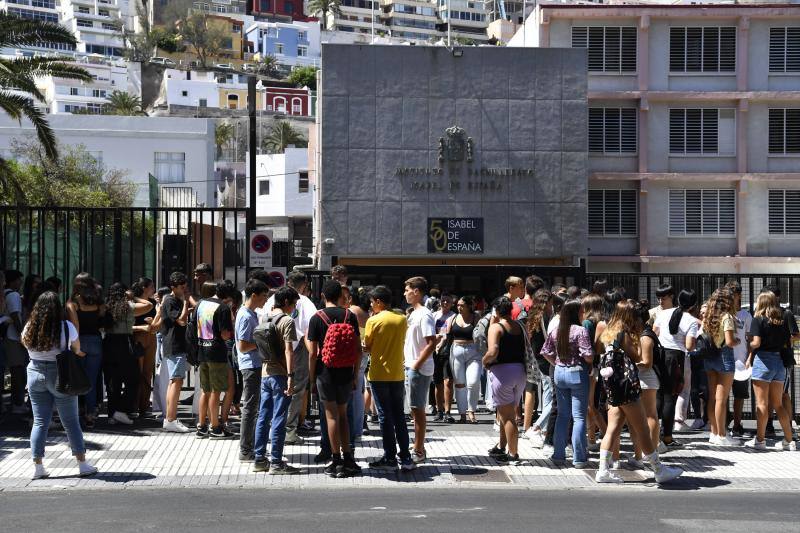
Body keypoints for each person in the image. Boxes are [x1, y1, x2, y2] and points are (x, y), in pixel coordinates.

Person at [595, 300, 683, 485]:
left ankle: (603, 470)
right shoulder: (623, 334)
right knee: (642, 427)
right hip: (626, 387)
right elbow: (636, 357)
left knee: (613, 428)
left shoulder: (607, 332)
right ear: (629, 316)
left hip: (613, 386)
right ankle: (659, 470)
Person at [21, 291, 97, 479]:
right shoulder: (66, 327)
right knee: (70, 421)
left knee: (40, 421)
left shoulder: (30, 326)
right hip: (60, 375)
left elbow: (24, 343)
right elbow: (76, 348)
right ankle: (82, 464)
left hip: (34, 373)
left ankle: (38, 467)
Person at [307, 280, 362, 478]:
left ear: (323, 296)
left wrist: (312, 379)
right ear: (341, 296)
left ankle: (336, 459)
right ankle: (348, 458)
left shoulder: (316, 318)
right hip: (346, 372)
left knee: (331, 417)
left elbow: (313, 353)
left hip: (325, 373)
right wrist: (355, 375)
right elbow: (358, 350)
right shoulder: (350, 316)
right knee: (343, 415)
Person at [364, 285, 414, 470]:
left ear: (378, 302)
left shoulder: (374, 321)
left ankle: (390, 457)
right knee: (399, 415)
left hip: (378, 373)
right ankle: (406, 457)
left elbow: (367, 345)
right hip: (397, 373)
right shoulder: (402, 319)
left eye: (371, 302)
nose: (371, 305)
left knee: (385, 416)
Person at [253, 286, 302, 474]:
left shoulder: (265, 317)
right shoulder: (287, 321)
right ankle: (276, 462)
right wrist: (291, 376)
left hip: (266, 372)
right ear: (288, 302)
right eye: (294, 303)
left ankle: (259, 459)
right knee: (279, 417)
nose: (295, 307)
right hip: (280, 374)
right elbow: (289, 350)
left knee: (263, 416)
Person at [540, 299, 593, 468]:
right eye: (581, 311)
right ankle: (579, 458)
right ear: (576, 313)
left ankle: (558, 455)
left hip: (559, 373)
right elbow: (588, 356)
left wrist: (557, 363)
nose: (583, 314)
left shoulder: (556, 330)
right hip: (577, 373)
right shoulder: (581, 331)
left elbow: (545, 352)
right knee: (578, 417)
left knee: (563, 415)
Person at [269, 271, 318, 446]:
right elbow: (310, 329)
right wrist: (313, 353)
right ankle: (289, 430)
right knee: (295, 390)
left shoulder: (272, 299)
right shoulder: (304, 302)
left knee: (273, 390)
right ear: (303, 285)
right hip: (296, 349)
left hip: (272, 350)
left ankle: (274, 428)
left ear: (288, 281)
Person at [745, 291, 797, 450]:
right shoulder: (780, 321)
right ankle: (789, 440)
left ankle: (760, 440)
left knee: (761, 404)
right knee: (778, 403)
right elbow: (789, 340)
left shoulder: (758, 320)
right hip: (779, 362)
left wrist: (749, 342)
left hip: (763, 361)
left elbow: (757, 343)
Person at [483, 297, 527, 464]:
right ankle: (502, 446)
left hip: (502, 373)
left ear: (496, 310)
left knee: (508, 416)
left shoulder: (496, 327)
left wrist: (484, 361)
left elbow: (493, 350)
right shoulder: (519, 326)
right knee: (505, 411)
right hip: (519, 372)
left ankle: (513, 454)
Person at [653, 289, 698, 448]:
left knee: (657, 395)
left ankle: (653, 434)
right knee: (670, 397)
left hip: (659, 355)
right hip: (676, 358)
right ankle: (667, 436)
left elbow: (654, 333)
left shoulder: (663, 313)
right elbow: (689, 346)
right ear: (693, 305)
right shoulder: (691, 320)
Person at [103, 282, 153, 426]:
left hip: (109, 343)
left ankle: (112, 414)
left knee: (113, 381)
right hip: (125, 343)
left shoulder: (106, 308)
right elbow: (148, 305)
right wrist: (134, 298)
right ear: (124, 293)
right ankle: (121, 410)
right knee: (133, 379)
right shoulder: (128, 306)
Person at [403, 276, 437, 464]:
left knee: (418, 410)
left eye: (407, 290)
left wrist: (416, 364)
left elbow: (431, 343)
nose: (405, 293)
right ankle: (418, 445)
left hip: (419, 368)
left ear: (417, 292)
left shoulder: (424, 314)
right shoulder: (414, 313)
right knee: (414, 411)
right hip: (411, 365)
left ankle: (419, 450)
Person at [195, 281, 235, 439]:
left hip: (201, 349)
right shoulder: (223, 308)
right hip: (216, 352)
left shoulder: (201, 304)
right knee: (215, 391)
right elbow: (225, 334)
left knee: (205, 391)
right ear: (228, 296)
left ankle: (201, 426)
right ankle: (216, 428)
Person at [235, 279, 269, 461]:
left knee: (253, 407)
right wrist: (261, 342)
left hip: (254, 364)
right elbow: (242, 345)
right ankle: (246, 449)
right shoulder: (246, 316)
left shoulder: (251, 313)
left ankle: (250, 446)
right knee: (250, 407)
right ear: (254, 295)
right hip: (250, 365)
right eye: (264, 296)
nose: (266, 300)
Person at [66, 274, 105, 429]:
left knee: (77, 379)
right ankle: (90, 414)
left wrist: (76, 346)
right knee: (91, 380)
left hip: (79, 341)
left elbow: (75, 326)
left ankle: (76, 413)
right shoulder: (99, 303)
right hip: (96, 341)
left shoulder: (73, 304)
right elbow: (102, 320)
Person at [701, 288, 740, 446]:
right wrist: (738, 340)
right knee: (721, 400)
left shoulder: (708, 316)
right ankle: (723, 436)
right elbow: (730, 342)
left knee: (712, 397)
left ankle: (714, 432)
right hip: (724, 357)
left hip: (709, 357)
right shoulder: (727, 317)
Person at [157, 271, 192, 433]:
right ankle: (170, 418)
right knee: (176, 381)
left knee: (175, 381)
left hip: (176, 345)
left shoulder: (172, 299)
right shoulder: (171, 300)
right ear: (173, 287)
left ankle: (170, 418)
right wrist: (185, 304)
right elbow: (181, 321)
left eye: (185, 287)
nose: (184, 290)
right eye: (182, 287)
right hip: (174, 345)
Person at [762, 284, 800, 434]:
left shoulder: (786, 314)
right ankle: (768, 424)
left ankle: (788, 426)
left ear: (776, 297)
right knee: (767, 394)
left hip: (783, 358)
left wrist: (784, 339)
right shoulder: (762, 314)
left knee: (783, 394)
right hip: (765, 358)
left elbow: (796, 334)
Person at [525, 289, 553, 446]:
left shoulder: (532, 317)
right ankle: (537, 428)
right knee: (553, 397)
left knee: (548, 395)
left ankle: (542, 430)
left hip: (536, 359)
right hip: (546, 360)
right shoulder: (545, 318)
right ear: (546, 302)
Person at [637, 301, 662, 464]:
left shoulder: (646, 336)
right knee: (649, 415)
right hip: (647, 378)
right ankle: (651, 449)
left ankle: (652, 449)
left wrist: (631, 363)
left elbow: (646, 363)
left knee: (650, 415)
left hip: (647, 378)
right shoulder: (646, 333)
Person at [449, 296, 481, 424]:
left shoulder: (476, 317)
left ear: (469, 306)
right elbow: (447, 334)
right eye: (458, 305)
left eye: (462, 305)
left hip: (473, 351)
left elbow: (482, 333)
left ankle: (471, 411)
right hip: (456, 350)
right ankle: (462, 414)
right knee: (459, 383)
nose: (459, 307)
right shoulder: (453, 318)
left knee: (473, 382)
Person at [581, 293, 607, 451]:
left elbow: (587, 346)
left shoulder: (587, 323)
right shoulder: (602, 321)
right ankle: (591, 438)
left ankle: (606, 434)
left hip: (589, 367)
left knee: (589, 405)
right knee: (591, 404)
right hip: (599, 366)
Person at [727, 281, 752, 437]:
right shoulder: (723, 315)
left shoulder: (746, 316)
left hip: (741, 362)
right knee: (721, 396)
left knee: (739, 396)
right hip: (724, 362)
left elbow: (750, 340)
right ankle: (721, 426)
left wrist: (749, 358)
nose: (733, 297)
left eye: (735, 294)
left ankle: (737, 425)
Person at [131, 277, 158, 419]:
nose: (154, 289)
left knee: (147, 372)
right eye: (151, 286)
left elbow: (156, 321)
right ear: (144, 288)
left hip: (150, 336)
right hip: (138, 337)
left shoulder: (153, 303)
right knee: (137, 372)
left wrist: (152, 323)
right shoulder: (133, 303)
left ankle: (144, 405)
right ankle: (134, 405)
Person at [3, 270, 27, 415]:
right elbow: (15, 315)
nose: (20, 283)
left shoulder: (4, 293)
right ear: (13, 281)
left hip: (6, 336)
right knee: (17, 371)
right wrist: (22, 335)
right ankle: (17, 403)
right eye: (19, 280)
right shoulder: (13, 295)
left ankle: (15, 401)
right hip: (13, 337)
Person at [432, 293, 455, 422]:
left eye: (448, 301)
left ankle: (447, 412)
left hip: (447, 351)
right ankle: (439, 410)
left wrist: (441, 342)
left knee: (448, 382)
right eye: (443, 301)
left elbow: (447, 333)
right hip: (434, 352)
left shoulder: (453, 316)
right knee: (438, 383)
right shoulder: (434, 315)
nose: (445, 303)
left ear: (452, 303)